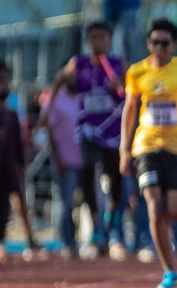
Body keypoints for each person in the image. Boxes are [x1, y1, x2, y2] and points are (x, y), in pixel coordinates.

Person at [119, 20, 177, 288]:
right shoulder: (136, 72)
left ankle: (165, 234)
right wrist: (124, 148)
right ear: (148, 44)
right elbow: (129, 110)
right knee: (154, 205)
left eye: (165, 43)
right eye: (154, 42)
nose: (159, 48)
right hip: (146, 146)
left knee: (175, 211)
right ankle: (169, 269)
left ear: (174, 45)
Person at [38, 22, 128, 259]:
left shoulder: (119, 65)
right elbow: (58, 81)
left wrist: (121, 87)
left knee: (114, 177)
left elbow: (132, 95)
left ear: (110, 40)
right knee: (88, 170)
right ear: (88, 41)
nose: (98, 42)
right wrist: (47, 111)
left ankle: (112, 218)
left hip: (113, 132)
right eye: (94, 37)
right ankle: (97, 225)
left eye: (103, 37)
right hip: (89, 129)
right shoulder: (79, 64)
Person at [0, 64, 39, 260]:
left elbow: (18, 143)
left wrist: (21, 165)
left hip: (10, 167)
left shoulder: (12, 114)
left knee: (16, 202)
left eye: (5, 83)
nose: (4, 87)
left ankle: (28, 239)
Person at [40, 73, 85, 260]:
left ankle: (93, 241)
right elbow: (45, 128)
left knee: (90, 205)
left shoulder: (86, 95)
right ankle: (67, 243)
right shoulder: (55, 99)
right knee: (64, 204)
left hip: (87, 161)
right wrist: (57, 160)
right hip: (65, 161)